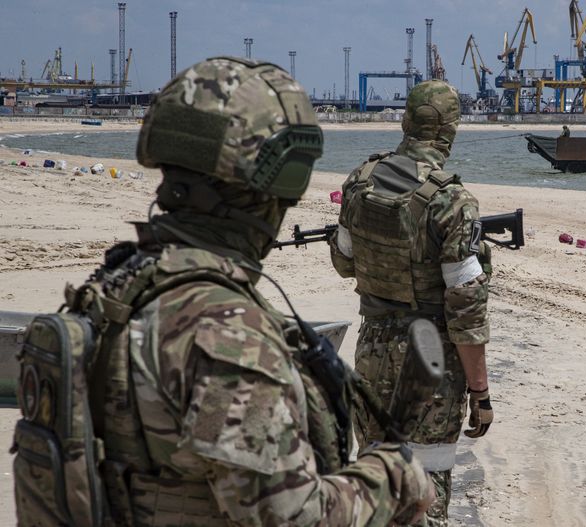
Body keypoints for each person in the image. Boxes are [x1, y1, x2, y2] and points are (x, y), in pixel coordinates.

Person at [69, 57, 432, 526]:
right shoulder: (226, 335)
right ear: (279, 180)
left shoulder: (116, 288)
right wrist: (391, 477)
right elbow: (292, 517)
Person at [328, 80, 493, 526]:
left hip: (372, 351)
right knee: (427, 487)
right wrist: (480, 393)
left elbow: (344, 263)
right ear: (451, 132)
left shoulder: (360, 182)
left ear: (405, 121)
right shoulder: (452, 201)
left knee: (377, 475)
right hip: (430, 362)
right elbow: (467, 313)